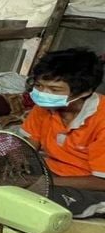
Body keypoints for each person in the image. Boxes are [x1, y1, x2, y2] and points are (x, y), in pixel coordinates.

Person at [23, 48, 105, 218]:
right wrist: (14, 163)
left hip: (91, 185)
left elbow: (100, 181)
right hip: (51, 171)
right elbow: (28, 146)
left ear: (85, 91)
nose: (43, 94)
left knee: (36, 201)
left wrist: (41, 182)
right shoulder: (45, 107)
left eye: (55, 89)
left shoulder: (101, 120)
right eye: (39, 86)